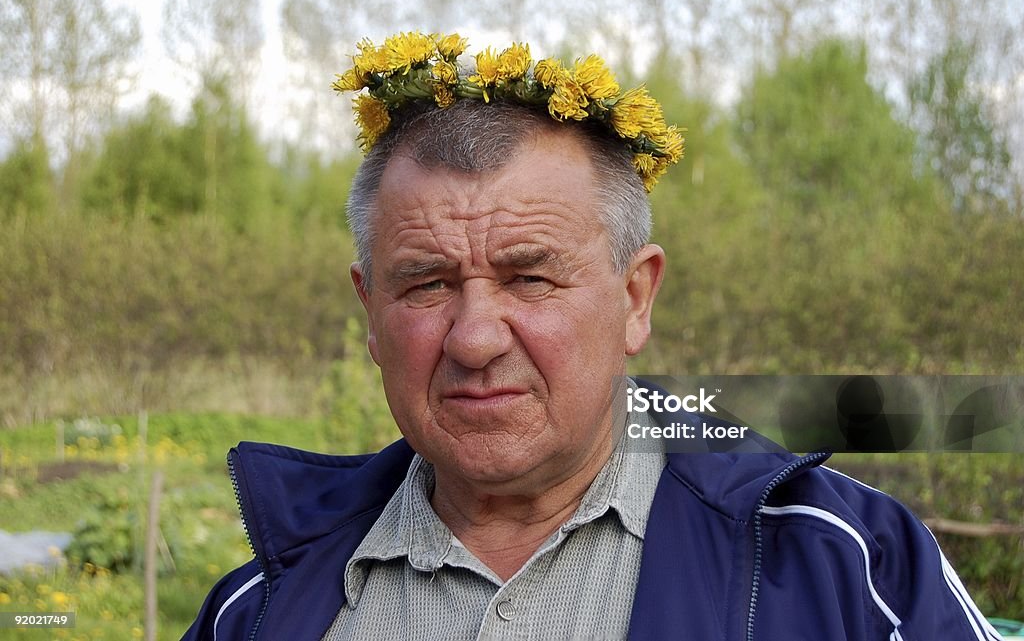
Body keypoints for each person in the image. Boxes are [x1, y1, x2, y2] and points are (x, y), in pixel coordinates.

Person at [184, 33, 1002, 641]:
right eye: (427, 283)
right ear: (369, 312)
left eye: (530, 277)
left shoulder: (849, 571)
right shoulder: (255, 609)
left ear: (635, 297)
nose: (473, 339)